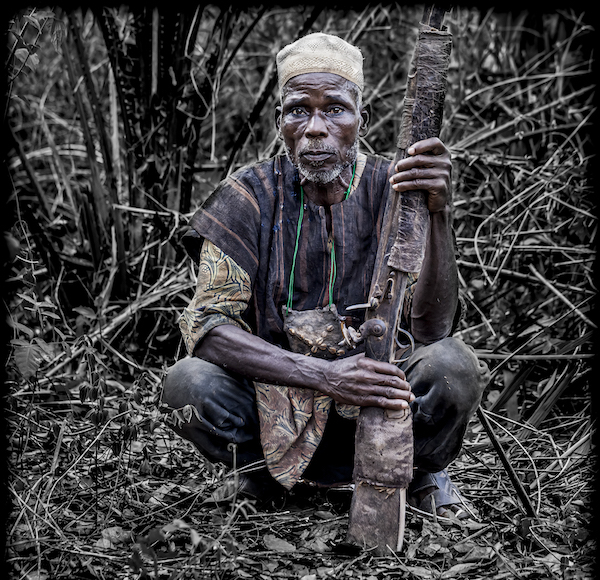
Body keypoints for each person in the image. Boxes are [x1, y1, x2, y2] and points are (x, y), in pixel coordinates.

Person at [162, 32, 490, 519]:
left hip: (382, 410)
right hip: (274, 409)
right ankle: (260, 475)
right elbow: (209, 328)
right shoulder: (246, 197)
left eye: (334, 108)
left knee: (453, 366)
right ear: (280, 123)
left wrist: (439, 212)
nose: (315, 127)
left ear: (362, 120)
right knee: (187, 383)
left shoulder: (399, 187)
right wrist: (326, 375)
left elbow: (432, 329)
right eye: (298, 110)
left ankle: (417, 472)